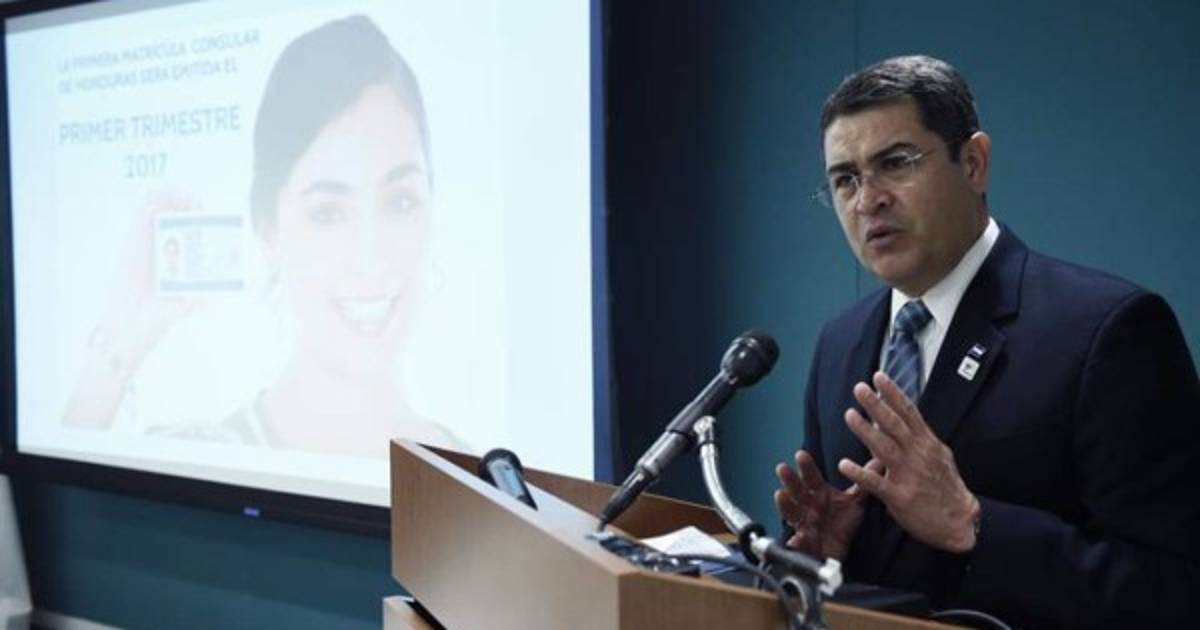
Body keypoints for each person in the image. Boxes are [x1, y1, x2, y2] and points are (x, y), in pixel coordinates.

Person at [773, 55, 1199, 628]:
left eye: (895, 163)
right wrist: (826, 558)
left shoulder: (1108, 329)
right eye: (845, 179)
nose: (867, 199)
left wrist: (973, 522)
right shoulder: (840, 343)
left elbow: (1173, 592)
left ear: (973, 163)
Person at [63, 15, 458, 457]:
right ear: (268, 233)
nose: (371, 258)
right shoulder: (201, 456)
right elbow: (64, 472)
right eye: (328, 213)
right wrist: (123, 334)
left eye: (401, 203)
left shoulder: (485, 480)